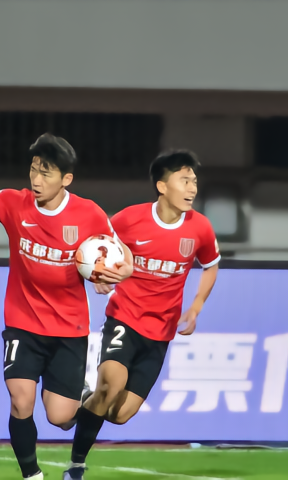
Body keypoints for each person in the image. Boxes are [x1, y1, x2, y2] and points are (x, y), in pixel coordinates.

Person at [0, 111, 133, 479]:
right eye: (33, 170)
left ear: (66, 179)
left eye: (45, 173)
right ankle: (32, 475)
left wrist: (119, 272)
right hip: (23, 323)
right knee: (21, 399)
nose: (35, 179)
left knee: (59, 417)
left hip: (68, 329)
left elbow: (121, 253)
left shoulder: (89, 214)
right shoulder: (15, 204)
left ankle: (79, 399)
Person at [64, 150, 221, 480]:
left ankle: (84, 402)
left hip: (161, 333)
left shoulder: (200, 228)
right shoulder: (130, 219)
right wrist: (98, 275)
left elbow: (211, 265)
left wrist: (196, 305)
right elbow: (96, 247)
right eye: (184, 180)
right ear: (162, 186)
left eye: (194, 181)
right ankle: (76, 466)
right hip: (124, 318)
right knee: (111, 385)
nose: (192, 188)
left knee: (120, 414)